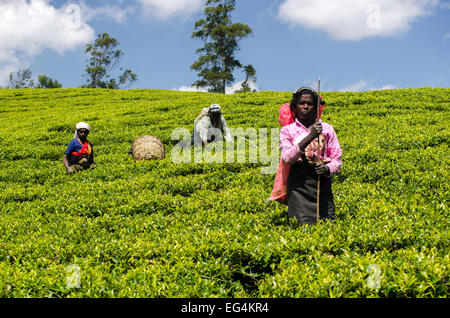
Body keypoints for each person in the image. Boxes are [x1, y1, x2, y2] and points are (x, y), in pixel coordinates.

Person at [279, 87, 342, 225]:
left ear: (316, 107)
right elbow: (287, 158)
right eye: (302, 103)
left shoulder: (327, 129)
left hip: (322, 185)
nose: (306, 107)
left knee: (327, 225)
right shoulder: (287, 131)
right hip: (299, 186)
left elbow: (337, 160)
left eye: (310, 103)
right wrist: (310, 136)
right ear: (295, 107)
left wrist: (327, 169)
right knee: (301, 228)